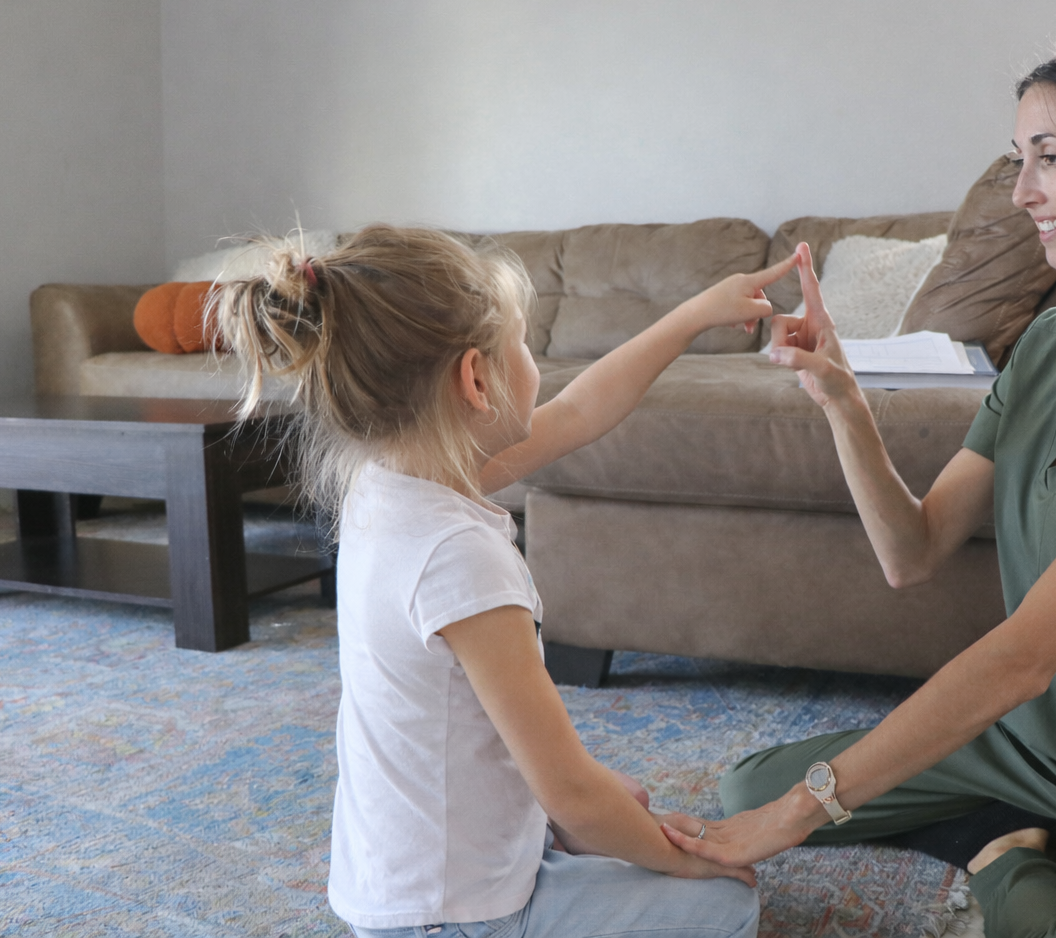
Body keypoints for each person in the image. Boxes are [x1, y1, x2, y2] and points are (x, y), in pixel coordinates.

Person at [658, 37, 1056, 938]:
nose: (1021, 194)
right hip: (1031, 749)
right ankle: (1025, 825)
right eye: (1019, 162)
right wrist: (845, 402)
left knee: (786, 807)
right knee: (749, 785)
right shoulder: (1049, 348)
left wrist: (792, 820)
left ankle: (1007, 859)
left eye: (1049, 158)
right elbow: (911, 553)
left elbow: (1022, 655)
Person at [217, 225, 795, 938]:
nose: (536, 364)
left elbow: (581, 412)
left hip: (403, 877)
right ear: (475, 379)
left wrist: (691, 315)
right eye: (523, 346)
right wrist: (684, 864)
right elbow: (570, 793)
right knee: (728, 903)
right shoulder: (459, 556)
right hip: (454, 916)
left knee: (625, 804)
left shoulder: (390, 483)